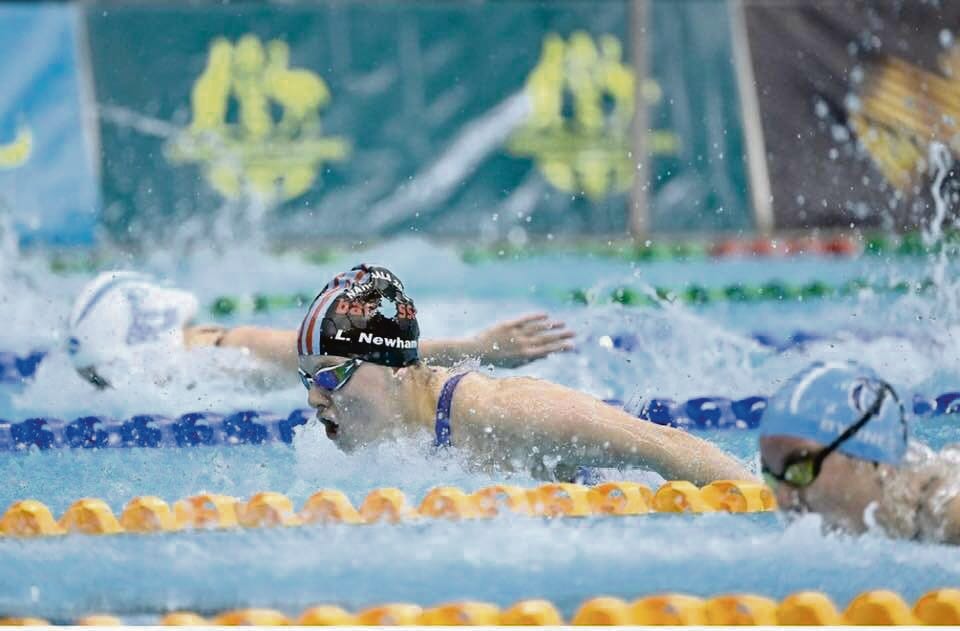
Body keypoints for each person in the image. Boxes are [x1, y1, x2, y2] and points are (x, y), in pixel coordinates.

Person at [296, 263, 753, 483]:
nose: (316, 398)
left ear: (394, 369)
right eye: (308, 379)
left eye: (330, 375)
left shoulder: (503, 413)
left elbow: (671, 448)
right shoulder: (385, 438)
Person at [67, 270, 575, 390]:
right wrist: (476, 347)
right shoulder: (216, 348)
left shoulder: (218, 354)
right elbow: (347, 346)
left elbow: (347, 346)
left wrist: (477, 349)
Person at [759, 361, 960, 543]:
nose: (783, 499)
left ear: (866, 457)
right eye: (772, 478)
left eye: (801, 468)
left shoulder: (948, 515)